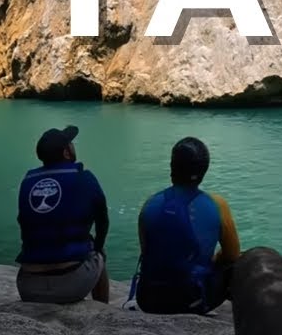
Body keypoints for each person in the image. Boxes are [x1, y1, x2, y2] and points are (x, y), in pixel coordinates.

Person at [135, 136, 241, 315]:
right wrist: (212, 259)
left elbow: (147, 251)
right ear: (204, 170)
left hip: (149, 300)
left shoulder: (150, 204)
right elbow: (232, 255)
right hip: (192, 301)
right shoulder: (217, 204)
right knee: (241, 262)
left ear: (172, 168)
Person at [15, 125, 111, 304]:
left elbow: (23, 223)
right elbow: (103, 221)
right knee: (99, 252)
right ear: (67, 152)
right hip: (71, 283)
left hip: (28, 286)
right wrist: (96, 246)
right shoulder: (84, 177)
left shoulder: (27, 180)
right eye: (71, 144)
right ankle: (103, 310)